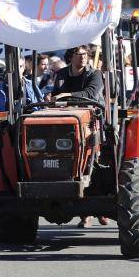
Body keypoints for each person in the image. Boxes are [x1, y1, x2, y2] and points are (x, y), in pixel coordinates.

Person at [48, 46, 106, 227]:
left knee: (95, 160)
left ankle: (96, 210)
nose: (82, 57)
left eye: (85, 54)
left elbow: (90, 94)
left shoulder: (95, 74)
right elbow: (56, 93)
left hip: (92, 119)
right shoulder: (62, 74)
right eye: (78, 54)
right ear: (70, 57)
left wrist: (67, 95)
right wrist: (52, 96)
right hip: (66, 119)